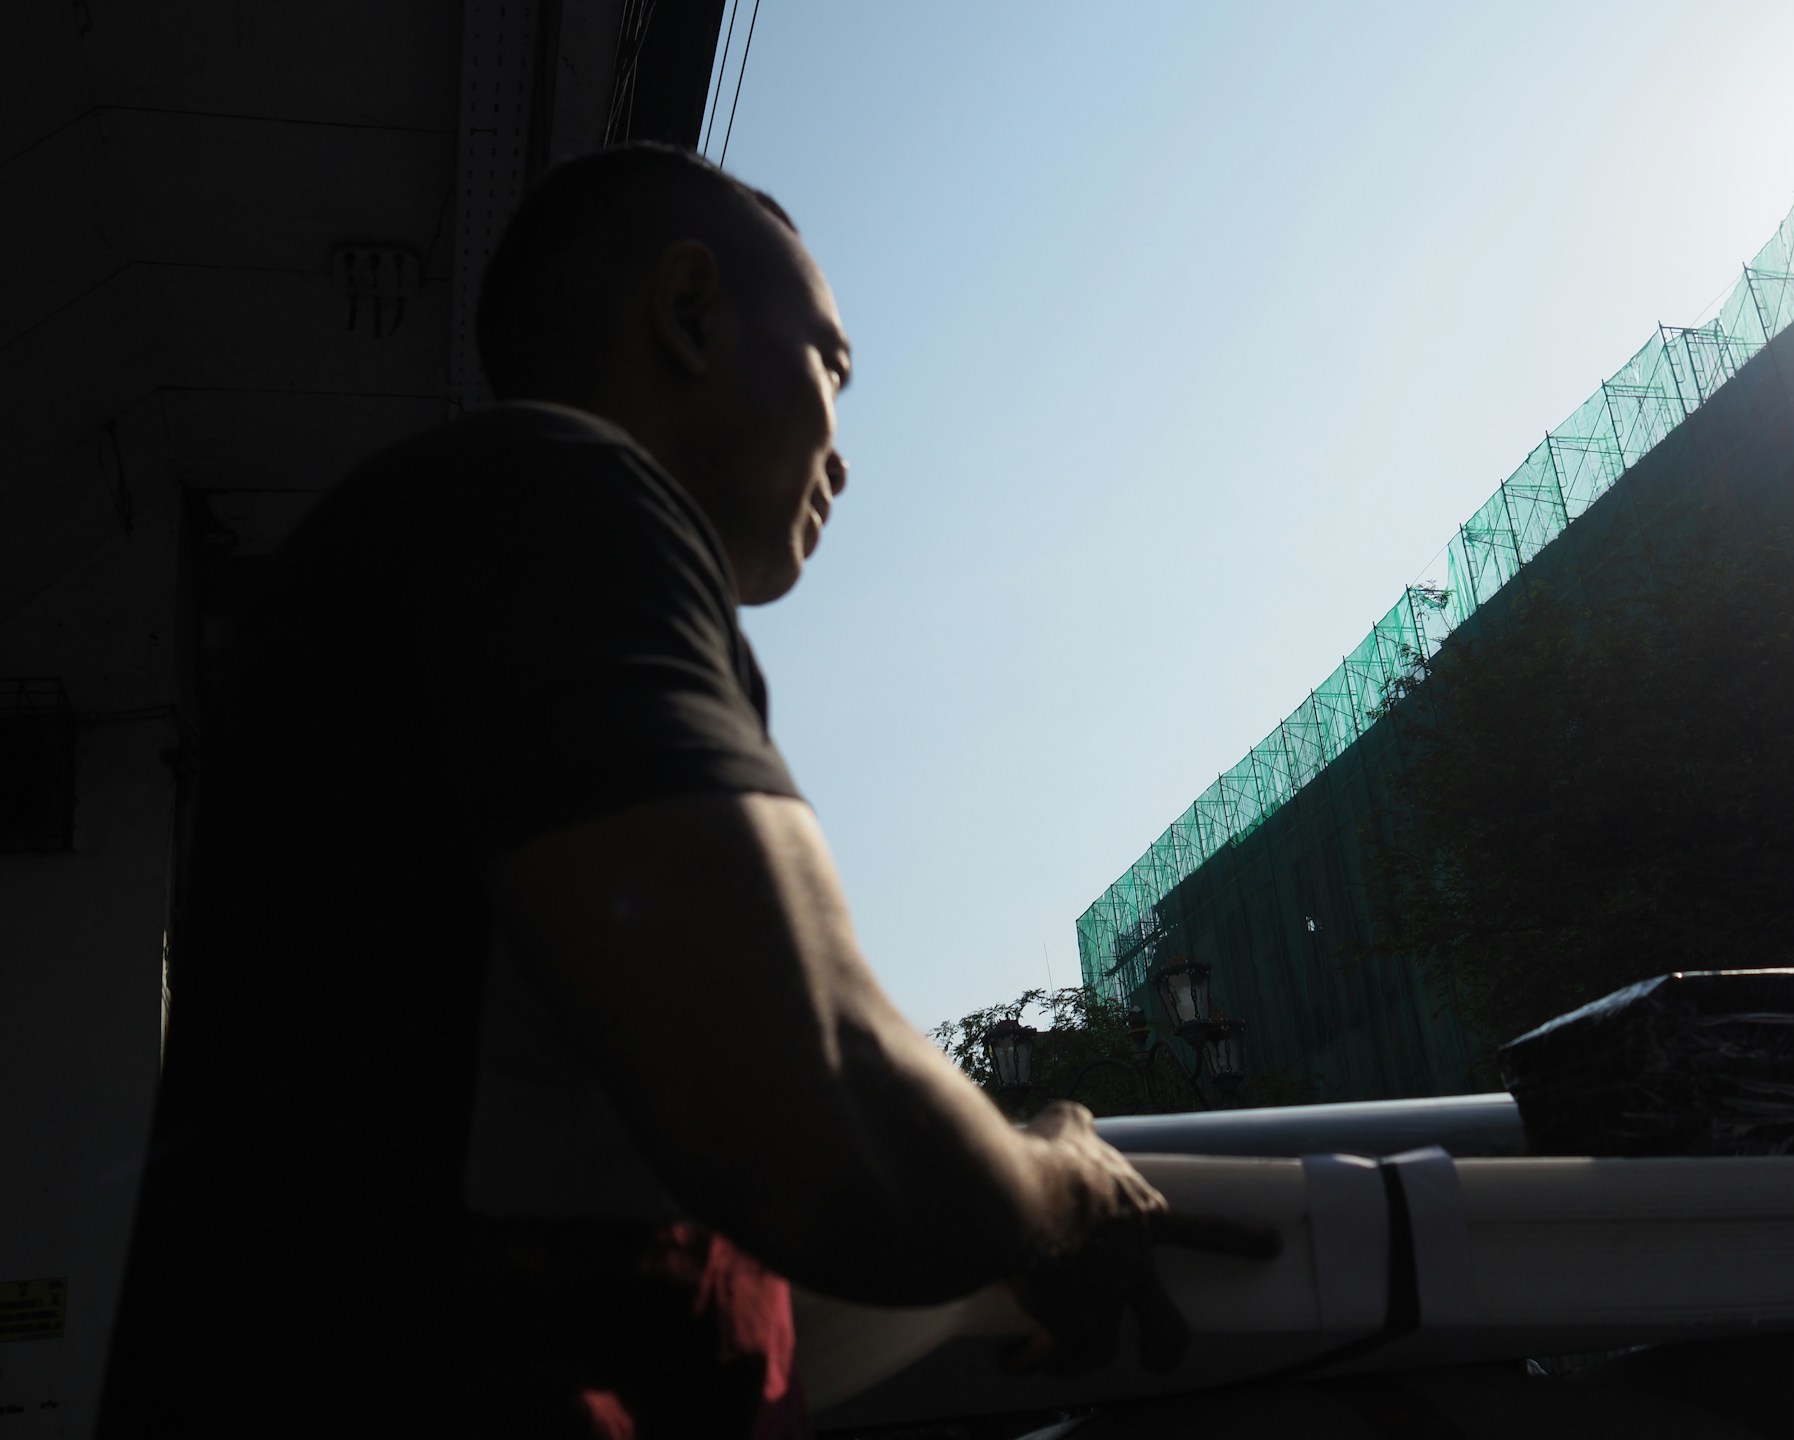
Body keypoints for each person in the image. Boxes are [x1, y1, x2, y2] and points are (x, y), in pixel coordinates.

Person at [98, 143, 1249, 1438]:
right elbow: (818, 1107)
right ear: (690, 313)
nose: (844, 451)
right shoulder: (564, 495)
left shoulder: (457, 560)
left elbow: (679, 1201)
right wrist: (1054, 1181)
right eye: (832, 366)